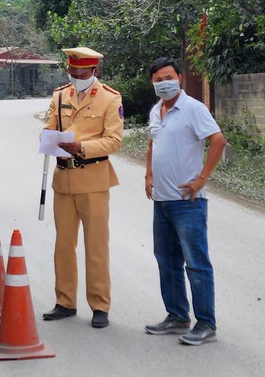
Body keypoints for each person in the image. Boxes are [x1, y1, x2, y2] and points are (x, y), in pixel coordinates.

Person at [143, 57, 227, 346]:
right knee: (167, 261)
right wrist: (148, 174)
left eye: (168, 77)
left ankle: (206, 323)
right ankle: (177, 316)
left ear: (179, 78)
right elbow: (153, 143)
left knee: (196, 263)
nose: (163, 82)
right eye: (157, 79)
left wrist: (202, 178)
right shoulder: (156, 111)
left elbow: (218, 141)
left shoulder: (194, 108)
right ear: (152, 83)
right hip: (162, 201)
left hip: (188, 202)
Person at [41, 46, 124, 329]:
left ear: (94, 71)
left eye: (82, 73)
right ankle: (65, 302)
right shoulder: (60, 95)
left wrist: (82, 147)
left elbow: (114, 141)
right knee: (63, 245)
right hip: (63, 180)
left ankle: (100, 306)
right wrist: (49, 139)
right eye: (72, 72)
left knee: (96, 247)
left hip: (94, 179)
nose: (76, 77)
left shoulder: (110, 99)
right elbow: (49, 128)